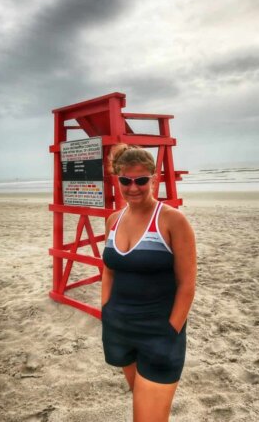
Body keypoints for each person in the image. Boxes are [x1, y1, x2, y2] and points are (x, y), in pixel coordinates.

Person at [101, 144, 197, 421]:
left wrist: (171, 331)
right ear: (117, 179)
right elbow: (108, 270)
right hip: (119, 328)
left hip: (160, 333)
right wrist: (106, 310)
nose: (133, 187)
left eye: (141, 180)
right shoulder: (113, 220)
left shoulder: (172, 220)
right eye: (126, 180)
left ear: (154, 179)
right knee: (142, 403)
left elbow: (187, 283)